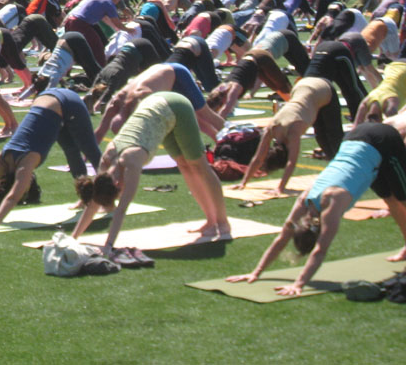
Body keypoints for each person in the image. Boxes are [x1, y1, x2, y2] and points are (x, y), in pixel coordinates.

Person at [226, 122, 406, 297]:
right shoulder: (306, 199)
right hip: (357, 139)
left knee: (403, 200)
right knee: (390, 198)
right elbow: (282, 238)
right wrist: (255, 273)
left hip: (382, 140)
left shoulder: (329, 202)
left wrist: (299, 284)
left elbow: (318, 250)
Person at [74, 92, 231, 252]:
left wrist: (108, 246)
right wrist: (73, 238)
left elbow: (121, 209)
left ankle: (222, 223)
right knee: (184, 165)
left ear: (116, 184)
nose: (122, 192)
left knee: (199, 165)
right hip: (158, 113)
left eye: (119, 192)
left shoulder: (131, 161)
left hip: (175, 106)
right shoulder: (105, 166)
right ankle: (211, 221)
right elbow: (94, 202)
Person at [0, 89, 101, 233]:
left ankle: (110, 192)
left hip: (67, 102)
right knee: (71, 151)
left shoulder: (25, 163)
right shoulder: (2, 160)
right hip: (48, 103)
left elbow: (10, 197)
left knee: (90, 150)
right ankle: (85, 199)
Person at [234, 77, 343, 195]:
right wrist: (243, 182)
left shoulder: (292, 132)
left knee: (334, 142)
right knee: (324, 140)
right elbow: (258, 158)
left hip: (324, 89)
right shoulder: (271, 128)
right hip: (301, 86)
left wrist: (281, 188)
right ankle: (338, 174)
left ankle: (346, 176)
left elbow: (291, 162)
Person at [96, 63, 225, 140]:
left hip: (177, 74)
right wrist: (88, 157)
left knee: (204, 113)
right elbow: (100, 130)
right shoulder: (115, 102)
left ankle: (234, 139)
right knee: (197, 118)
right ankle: (219, 141)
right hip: (161, 74)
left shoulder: (141, 99)